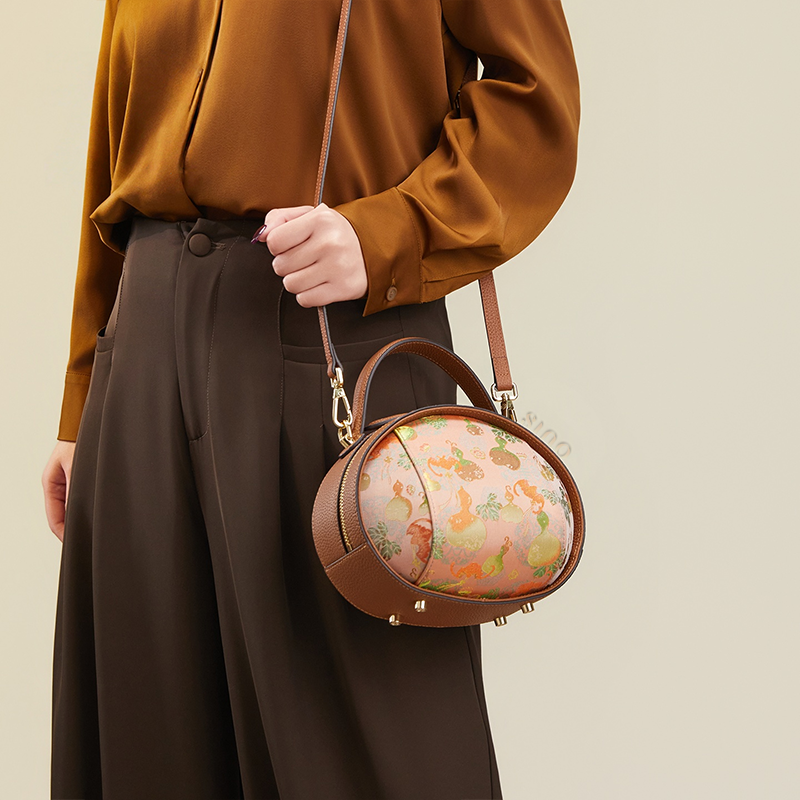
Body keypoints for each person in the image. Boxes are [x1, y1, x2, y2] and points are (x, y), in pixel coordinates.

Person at [40, 1, 580, 797]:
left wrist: (387, 232)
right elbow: (112, 143)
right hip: (143, 348)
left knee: (364, 750)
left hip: (330, 330)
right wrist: (83, 392)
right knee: (148, 736)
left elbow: (538, 104)